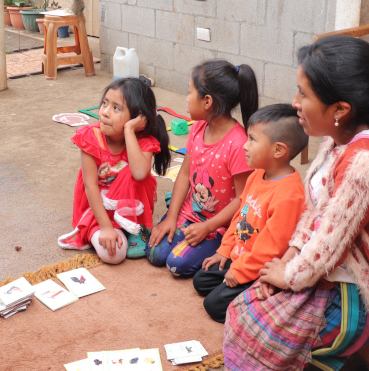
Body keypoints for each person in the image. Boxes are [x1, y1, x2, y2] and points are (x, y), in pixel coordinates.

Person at [223, 35, 369, 371]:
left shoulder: (367, 162)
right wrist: (282, 264)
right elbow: (314, 215)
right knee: (244, 305)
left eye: (304, 93)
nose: (295, 102)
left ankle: (359, 351)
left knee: (253, 332)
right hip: (329, 271)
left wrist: (287, 277)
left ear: (341, 110)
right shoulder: (338, 140)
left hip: (357, 292)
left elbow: (329, 244)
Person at [193, 104, 307, 323]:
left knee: (213, 305)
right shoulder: (257, 175)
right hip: (239, 255)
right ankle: (232, 280)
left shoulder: (290, 195)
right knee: (201, 280)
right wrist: (224, 251)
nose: (244, 146)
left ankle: (266, 297)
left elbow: (271, 249)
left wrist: (240, 273)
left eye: (252, 140)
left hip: (257, 269)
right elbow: (239, 217)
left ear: (278, 150)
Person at [146, 60, 258, 277]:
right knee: (154, 253)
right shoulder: (198, 127)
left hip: (217, 226)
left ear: (207, 101)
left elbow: (243, 199)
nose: (187, 99)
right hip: (189, 214)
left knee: (176, 264)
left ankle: (225, 248)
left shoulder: (238, 143)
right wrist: (171, 216)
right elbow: (185, 173)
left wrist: (208, 228)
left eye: (190, 92)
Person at [58, 78, 171, 264]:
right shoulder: (90, 138)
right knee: (115, 255)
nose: (105, 113)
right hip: (98, 208)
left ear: (137, 118)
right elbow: (90, 185)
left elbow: (140, 174)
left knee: (134, 172)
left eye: (116, 108)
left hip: (129, 204)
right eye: (104, 104)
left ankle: (135, 226)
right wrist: (106, 228)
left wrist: (128, 131)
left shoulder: (143, 141)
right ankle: (113, 228)